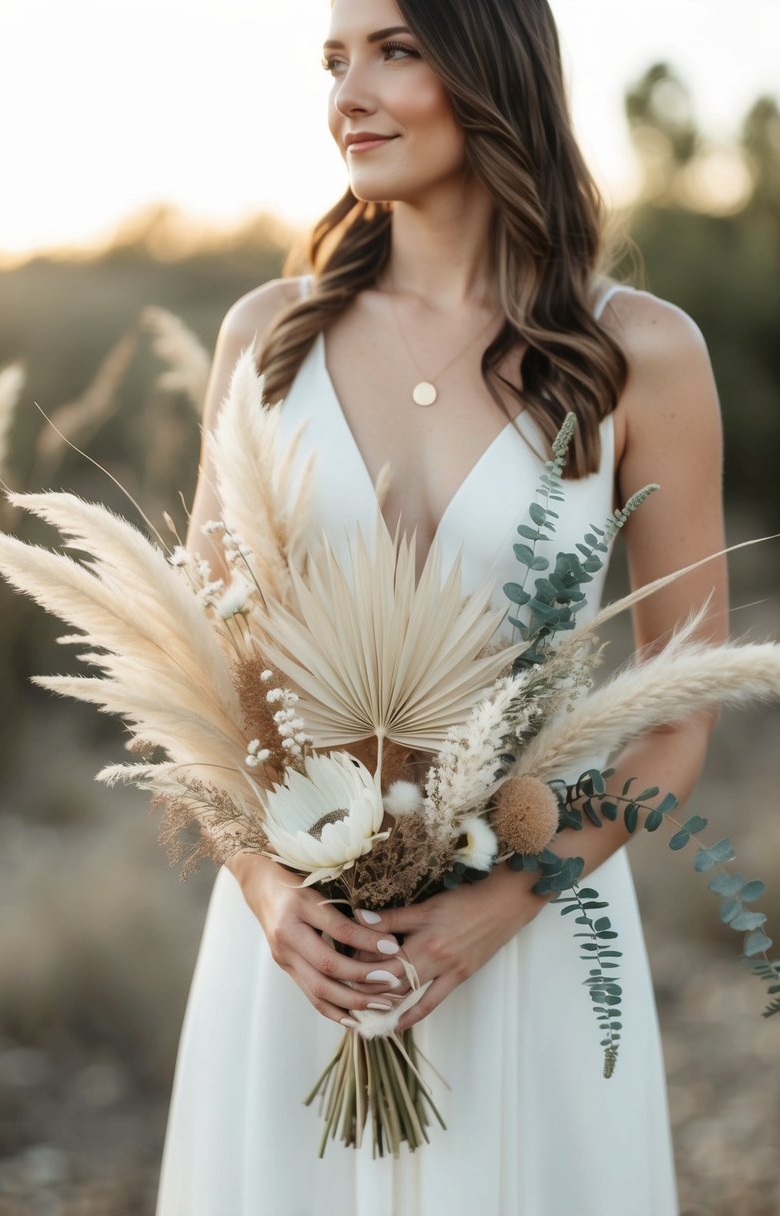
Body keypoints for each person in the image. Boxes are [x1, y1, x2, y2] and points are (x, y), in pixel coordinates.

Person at [156, 0, 727, 1212]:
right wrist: (268, 887)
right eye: (332, 61)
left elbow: (679, 713)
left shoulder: (637, 353)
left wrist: (495, 912)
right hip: (304, 959)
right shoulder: (265, 339)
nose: (345, 96)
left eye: (393, 51)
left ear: (490, 67)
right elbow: (194, 676)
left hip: (526, 943)